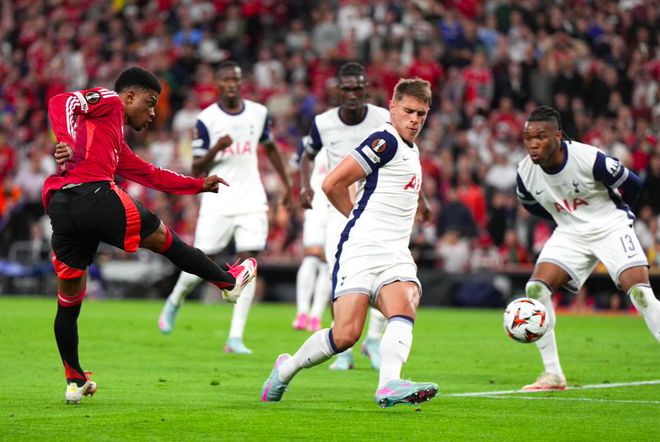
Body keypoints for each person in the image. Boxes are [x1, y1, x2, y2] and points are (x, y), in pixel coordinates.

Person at [46, 66, 257, 404]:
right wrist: (66, 141)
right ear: (130, 96)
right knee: (165, 240)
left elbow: (151, 175)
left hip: (63, 208)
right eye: (150, 102)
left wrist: (197, 185)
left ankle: (74, 381)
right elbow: (62, 101)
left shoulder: (113, 142)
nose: (153, 112)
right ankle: (228, 282)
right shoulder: (111, 100)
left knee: (68, 300)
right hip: (94, 195)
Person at [262, 78, 438, 408]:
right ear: (393, 107)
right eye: (409, 111)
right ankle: (285, 369)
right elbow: (332, 183)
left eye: (421, 114)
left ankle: (389, 384)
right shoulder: (384, 141)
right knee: (345, 335)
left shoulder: (411, 150)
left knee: (406, 302)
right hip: (361, 249)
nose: (415, 120)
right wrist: (359, 219)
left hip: (395, 253)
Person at [516, 105, 660, 391]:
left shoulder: (587, 157)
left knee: (641, 294)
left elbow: (633, 183)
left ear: (558, 136)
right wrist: (564, 216)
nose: (533, 144)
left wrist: (619, 215)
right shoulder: (525, 172)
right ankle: (553, 374)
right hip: (570, 232)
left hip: (610, 226)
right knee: (536, 289)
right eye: (528, 138)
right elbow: (529, 203)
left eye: (541, 136)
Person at [158, 61, 292, 354]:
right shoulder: (207, 119)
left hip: (251, 199)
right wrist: (217, 147)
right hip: (217, 199)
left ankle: (235, 337)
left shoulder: (258, 113)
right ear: (217, 85)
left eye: (236, 79)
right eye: (226, 80)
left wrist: (286, 185)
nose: (232, 84)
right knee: (200, 261)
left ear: (242, 83)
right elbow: (196, 167)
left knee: (249, 265)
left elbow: (270, 148)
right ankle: (175, 299)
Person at [298, 62, 392, 370]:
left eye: (358, 88)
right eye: (347, 89)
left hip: (378, 207)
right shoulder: (323, 123)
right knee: (337, 277)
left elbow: (404, 155)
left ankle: (373, 339)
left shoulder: (383, 118)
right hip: (339, 209)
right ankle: (343, 351)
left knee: (383, 274)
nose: (352, 94)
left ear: (366, 89)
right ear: (338, 91)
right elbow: (307, 155)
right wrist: (304, 186)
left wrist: (422, 198)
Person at [290, 138, 331, 332]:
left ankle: (315, 315)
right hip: (317, 205)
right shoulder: (310, 140)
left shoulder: (355, 137)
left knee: (327, 263)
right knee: (312, 257)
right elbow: (295, 166)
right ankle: (303, 312)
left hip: (339, 208)